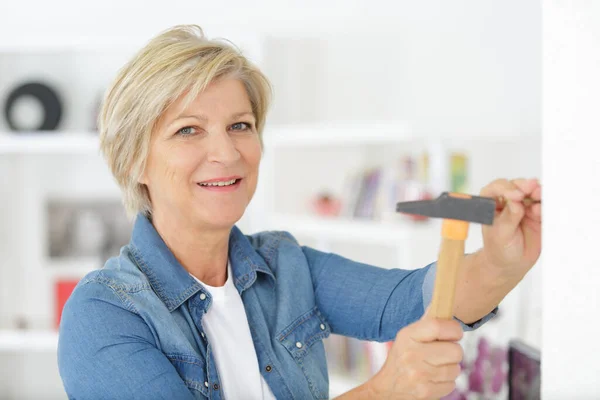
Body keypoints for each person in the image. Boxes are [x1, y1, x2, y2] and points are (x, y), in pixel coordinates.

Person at [57, 24, 542, 400]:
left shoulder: (285, 266)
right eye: (189, 130)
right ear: (135, 158)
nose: (227, 153)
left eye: (240, 125)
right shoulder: (104, 313)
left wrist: (503, 258)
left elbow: (412, 301)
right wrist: (384, 390)